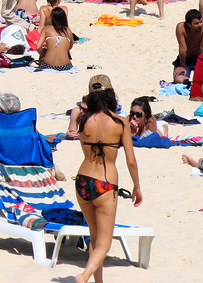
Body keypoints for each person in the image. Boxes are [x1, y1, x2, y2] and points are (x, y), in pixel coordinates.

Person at [73, 75, 143, 283]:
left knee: (94, 239)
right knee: (104, 242)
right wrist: (136, 186)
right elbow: (131, 161)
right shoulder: (120, 122)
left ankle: (98, 282)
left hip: (82, 180)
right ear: (111, 94)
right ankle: (84, 276)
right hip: (105, 184)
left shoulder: (83, 121)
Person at [174, 9, 203, 84]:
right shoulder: (181, 28)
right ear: (189, 24)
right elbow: (183, 48)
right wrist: (182, 66)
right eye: (196, 23)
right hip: (185, 59)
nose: (200, 25)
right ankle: (188, 82)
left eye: (200, 22)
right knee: (178, 80)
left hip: (199, 58)